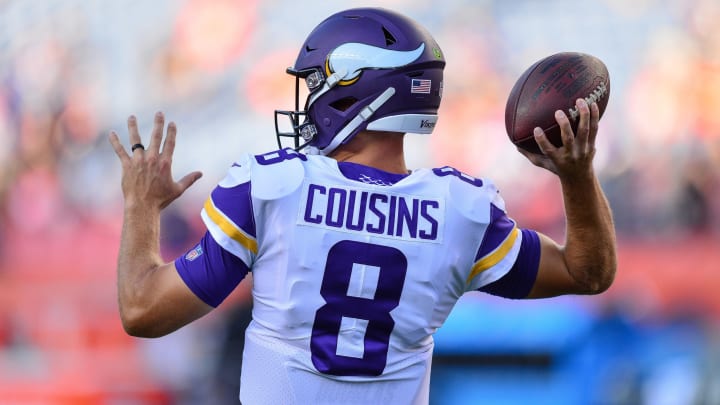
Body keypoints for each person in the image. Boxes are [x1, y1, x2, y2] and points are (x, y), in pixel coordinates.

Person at [108, 7, 617, 404]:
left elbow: (143, 310)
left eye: (316, 85)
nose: (308, 102)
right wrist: (576, 173)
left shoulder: (274, 186)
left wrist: (141, 205)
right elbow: (588, 273)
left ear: (356, 88)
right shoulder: (460, 212)